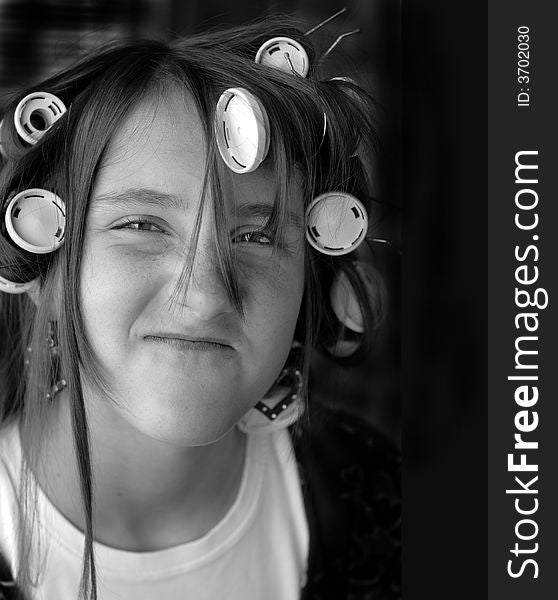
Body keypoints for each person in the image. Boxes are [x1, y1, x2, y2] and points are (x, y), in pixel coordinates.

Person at [0, 17, 400, 600]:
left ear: (307, 283)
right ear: (44, 271)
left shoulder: (374, 495)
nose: (207, 294)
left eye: (258, 236)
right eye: (141, 224)